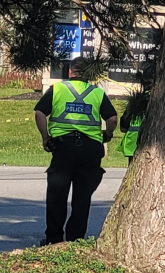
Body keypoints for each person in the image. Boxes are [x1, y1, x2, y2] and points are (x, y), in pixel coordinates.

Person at [34, 57, 118, 246]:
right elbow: (112, 119)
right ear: (88, 73)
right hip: (90, 150)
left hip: (63, 147)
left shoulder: (57, 89)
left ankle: (54, 239)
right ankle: (75, 240)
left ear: (70, 71)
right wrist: (107, 135)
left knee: (57, 194)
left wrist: (45, 137)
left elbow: (39, 113)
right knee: (82, 197)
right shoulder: (97, 93)